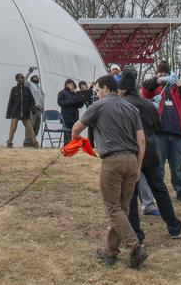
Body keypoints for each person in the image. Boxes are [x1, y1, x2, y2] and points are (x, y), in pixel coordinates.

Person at [71, 75, 148, 269]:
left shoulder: (99, 106)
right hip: (132, 160)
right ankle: (110, 252)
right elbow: (142, 141)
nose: (96, 94)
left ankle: (134, 247)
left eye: (97, 90)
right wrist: (138, 166)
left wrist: (75, 142)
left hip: (112, 160)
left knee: (113, 208)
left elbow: (76, 128)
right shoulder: (132, 108)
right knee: (122, 209)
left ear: (106, 88)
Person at [119, 75, 181, 241]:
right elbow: (157, 125)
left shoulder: (122, 105)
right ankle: (174, 226)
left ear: (123, 89)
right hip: (151, 150)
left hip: (132, 151)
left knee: (131, 193)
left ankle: (137, 234)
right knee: (159, 189)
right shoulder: (148, 104)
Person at [146, 61, 181, 204]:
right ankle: (157, 194)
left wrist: (180, 84)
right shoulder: (154, 87)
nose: (164, 76)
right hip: (159, 132)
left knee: (177, 165)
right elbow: (145, 90)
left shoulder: (175, 88)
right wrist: (158, 80)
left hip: (177, 132)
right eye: (160, 74)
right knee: (158, 165)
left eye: (166, 74)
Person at [5, 73, 39, 148]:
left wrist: (33, 110)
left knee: (30, 128)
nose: (23, 79)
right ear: (17, 79)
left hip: (25, 113)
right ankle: (9, 142)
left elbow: (31, 100)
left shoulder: (27, 89)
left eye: (23, 77)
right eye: (21, 77)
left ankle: (35, 143)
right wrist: (8, 114)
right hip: (15, 112)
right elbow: (10, 102)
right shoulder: (14, 89)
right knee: (13, 128)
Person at [57, 79, 84, 144]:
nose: (72, 86)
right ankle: (67, 147)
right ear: (67, 85)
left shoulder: (75, 94)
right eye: (71, 84)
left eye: (73, 85)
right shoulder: (62, 93)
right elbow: (60, 103)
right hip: (67, 116)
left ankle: (74, 146)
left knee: (75, 132)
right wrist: (71, 101)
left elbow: (79, 106)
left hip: (75, 116)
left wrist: (81, 101)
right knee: (67, 133)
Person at [26, 68, 45, 138]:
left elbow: (42, 99)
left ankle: (33, 142)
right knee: (31, 125)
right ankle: (27, 142)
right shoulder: (30, 84)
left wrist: (43, 110)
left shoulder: (39, 88)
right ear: (32, 78)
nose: (37, 77)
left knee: (37, 127)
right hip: (32, 107)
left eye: (37, 77)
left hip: (39, 109)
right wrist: (29, 72)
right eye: (35, 77)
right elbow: (24, 81)